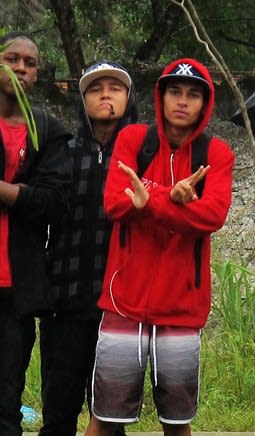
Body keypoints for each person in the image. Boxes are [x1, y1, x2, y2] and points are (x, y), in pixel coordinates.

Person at [84, 58, 235, 436]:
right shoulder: (134, 139)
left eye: (193, 94)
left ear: (206, 103)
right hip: (124, 299)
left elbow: (211, 217)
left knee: (176, 421)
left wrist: (149, 200)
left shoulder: (216, 154)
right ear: (160, 96)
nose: (182, 101)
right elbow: (115, 203)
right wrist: (173, 199)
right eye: (175, 91)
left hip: (181, 305)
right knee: (104, 416)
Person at [39, 60, 137, 436]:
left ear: (128, 98)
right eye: (96, 89)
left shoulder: (140, 155)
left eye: (115, 88)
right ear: (82, 101)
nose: (106, 94)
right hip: (64, 300)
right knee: (58, 411)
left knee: (110, 416)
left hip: (119, 304)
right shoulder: (62, 151)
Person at [0, 31, 72, 436]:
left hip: (17, 288)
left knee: (6, 399)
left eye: (30, 64)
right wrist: (24, 195)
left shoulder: (48, 131)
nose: (22, 69)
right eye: (12, 59)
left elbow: (55, 201)